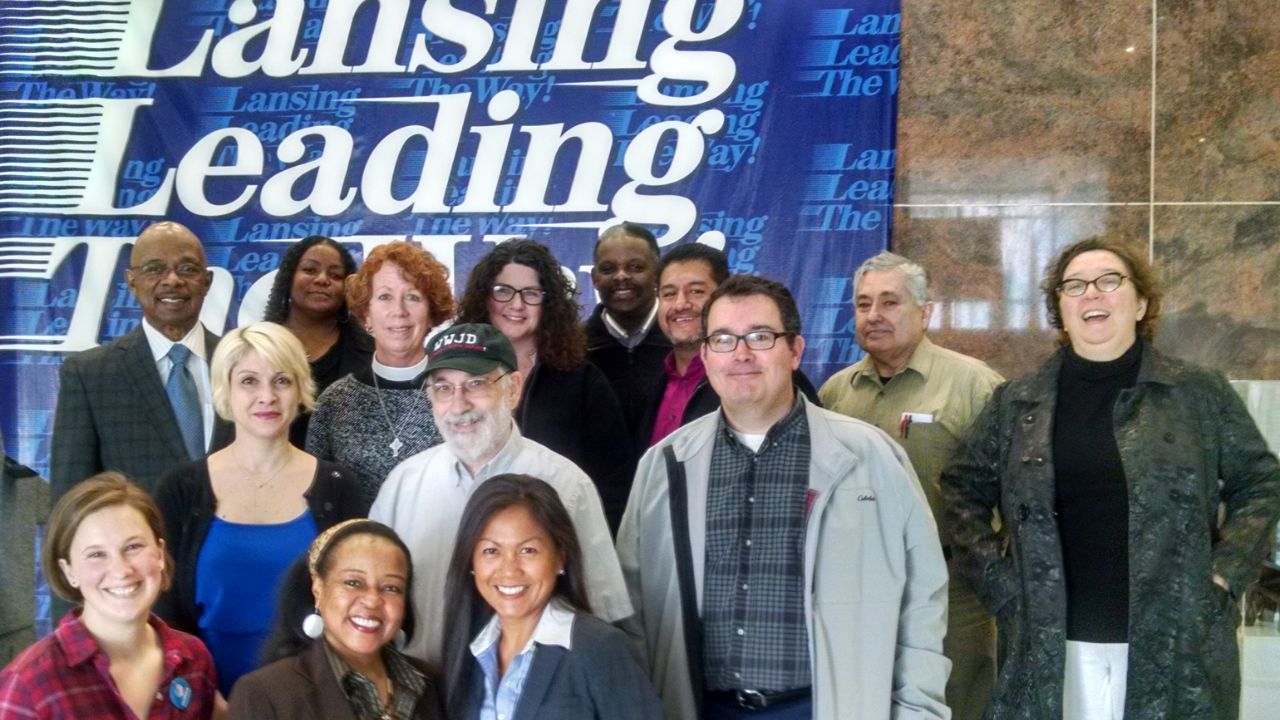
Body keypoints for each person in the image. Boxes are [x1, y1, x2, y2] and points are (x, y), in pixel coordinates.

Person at [941, 237, 1280, 720]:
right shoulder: (1017, 404)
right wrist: (999, 583)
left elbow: (1262, 483)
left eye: (1109, 281)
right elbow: (961, 488)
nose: (1091, 294)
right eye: (1074, 285)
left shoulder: (1197, 393)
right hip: (1051, 645)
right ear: (1059, 308)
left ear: (1141, 302)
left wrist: (1224, 574)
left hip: (1175, 640)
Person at [618, 274, 950, 720]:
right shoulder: (665, 465)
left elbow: (922, 602)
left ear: (795, 350)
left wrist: (917, 711)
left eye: (760, 336)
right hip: (697, 707)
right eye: (722, 339)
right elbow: (631, 610)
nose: (741, 354)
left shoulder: (870, 458)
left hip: (825, 705)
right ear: (705, 355)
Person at [370, 324, 634, 666]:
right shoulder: (402, 485)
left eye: (476, 384)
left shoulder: (566, 486)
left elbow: (601, 613)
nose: (458, 404)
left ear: (513, 389)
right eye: (443, 388)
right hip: (422, 694)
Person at [819, 251, 1003, 720]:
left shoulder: (975, 386)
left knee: (954, 701)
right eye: (863, 304)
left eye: (889, 302)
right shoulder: (835, 393)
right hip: (857, 588)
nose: (874, 316)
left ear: (926, 312)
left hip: (953, 589)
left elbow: (1018, 490)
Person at [154, 322, 367, 696]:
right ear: (226, 390)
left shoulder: (339, 487)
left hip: (313, 699)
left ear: (300, 389)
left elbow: (357, 605)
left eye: (282, 381)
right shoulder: (181, 490)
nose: (267, 396)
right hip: (203, 699)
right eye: (249, 381)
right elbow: (163, 613)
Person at [441, 474, 662, 720]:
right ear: (471, 561)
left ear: (560, 556)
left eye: (528, 550)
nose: (509, 569)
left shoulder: (599, 648)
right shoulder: (468, 653)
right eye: (491, 551)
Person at [0, 472, 216, 719]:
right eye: (96, 554)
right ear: (68, 570)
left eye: (133, 547)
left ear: (159, 553)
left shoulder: (194, 661)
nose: (122, 570)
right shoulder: (28, 684)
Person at [455, 238, 634, 531]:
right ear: (484, 297)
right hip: (466, 542)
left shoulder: (583, 382)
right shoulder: (455, 377)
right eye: (503, 291)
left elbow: (615, 489)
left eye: (530, 293)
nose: (516, 304)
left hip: (560, 547)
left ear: (547, 302)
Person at [50, 221, 232, 499]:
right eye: (154, 269)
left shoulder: (242, 364)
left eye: (187, 268)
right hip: (140, 540)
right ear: (131, 281)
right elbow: (71, 500)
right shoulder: (89, 375)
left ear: (206, 282)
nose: (172, 280)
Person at [227, 520, 445, 720]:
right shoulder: (264, 693)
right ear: (318, 589)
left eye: (391, 588)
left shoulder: (430, 683)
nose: (372, 601)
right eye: (353, 582)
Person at [306, 241, 454, 502]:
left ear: (431, 315)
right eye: (385, 297)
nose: (399, 311)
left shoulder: (458, 396)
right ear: (366, 314)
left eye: (413, 297)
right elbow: (317, 499)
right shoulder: (335, 402)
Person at [636, 243, 820, 451]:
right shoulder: (649, 379)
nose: (680, 304)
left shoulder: (768, 377)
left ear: (724, 295)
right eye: (669, 294)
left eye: (696, 291)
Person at [263, 235, 374, 448]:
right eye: (310, 270)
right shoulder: (257, 347)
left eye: (335, 275)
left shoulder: (371, 353)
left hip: (343, 477)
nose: (322, 279)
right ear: (288, 278)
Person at [584, 222, 670, 435]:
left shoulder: (681, 342)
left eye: (636, 267)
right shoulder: (574, 349)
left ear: (657, 274)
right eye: (608, 269)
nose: (621, 276)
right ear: (594, 278)